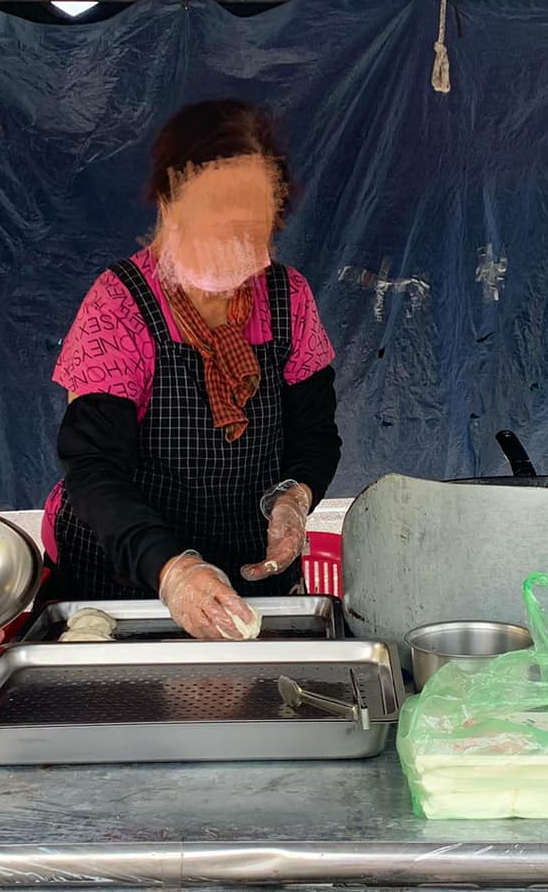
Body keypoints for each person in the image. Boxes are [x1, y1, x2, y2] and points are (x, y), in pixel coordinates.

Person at [41, 100, 343, 640]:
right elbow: (93, 467)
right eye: (215, 220)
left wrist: (294, 497)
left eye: (250, 228)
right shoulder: (121, 303)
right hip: (123, 575)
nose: (233, 245)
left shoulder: (289, 298)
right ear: (170, 206)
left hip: (249, 573)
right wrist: (173, 570)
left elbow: (315, 432)